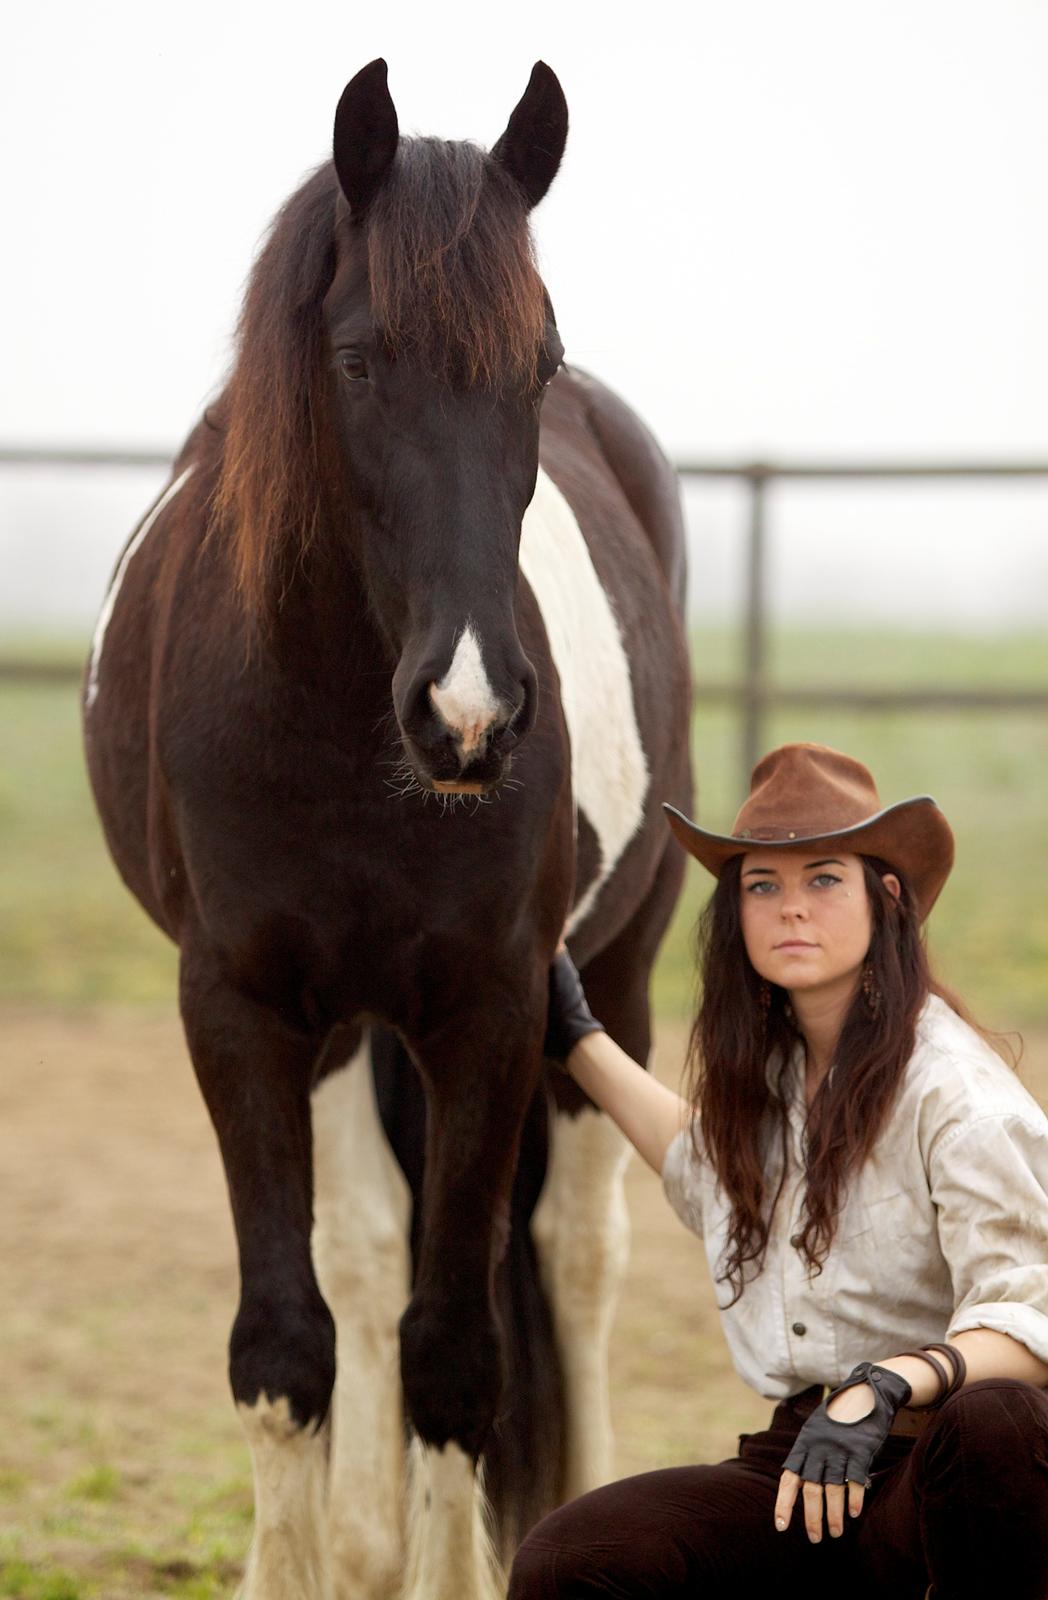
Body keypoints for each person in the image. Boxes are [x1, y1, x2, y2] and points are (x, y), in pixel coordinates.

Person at [508, 743, 1048, 1600]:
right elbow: (702, 1168)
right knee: (571, 1564)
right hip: (806, 1467)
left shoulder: (959, 1095)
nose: (791, 909)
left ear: (886, 897)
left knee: (999, 1425)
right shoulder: (770, 1074)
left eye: (823, 879)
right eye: (763, 885)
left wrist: (882, 1387)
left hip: (942, 1478)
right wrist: (576, 1035)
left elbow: (1029, 1320)